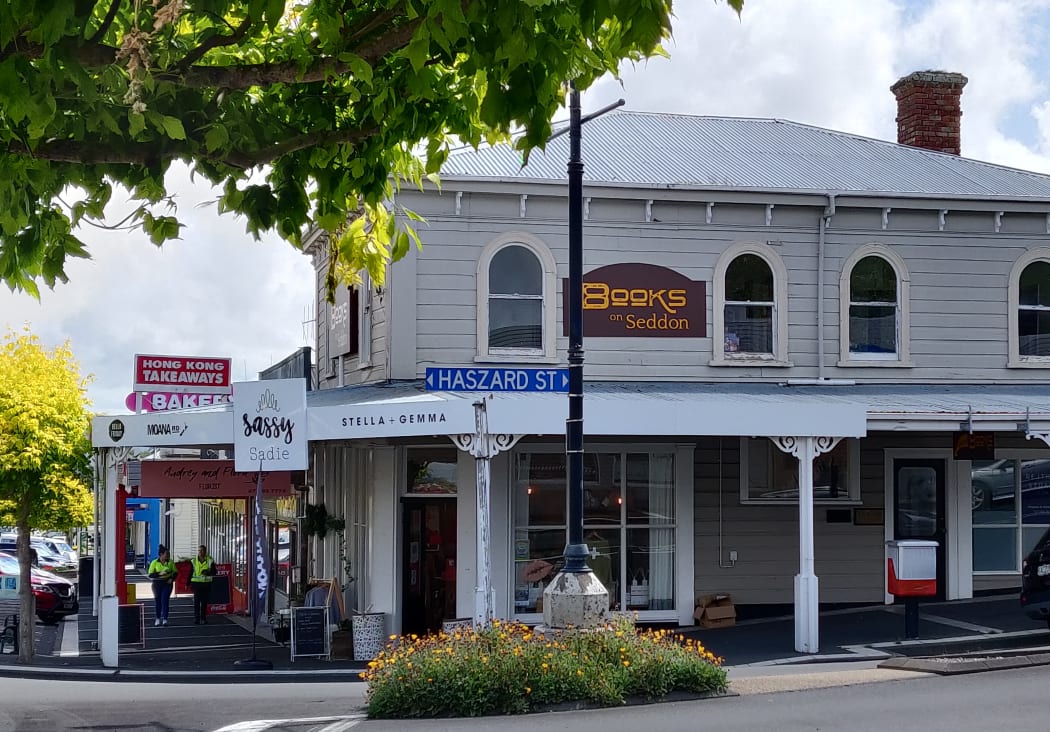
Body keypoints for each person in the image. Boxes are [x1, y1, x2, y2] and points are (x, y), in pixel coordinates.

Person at [147, 545, 175, 626]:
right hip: (157, 584)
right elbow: (150, 574)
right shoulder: (154, 562)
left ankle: (165, 619)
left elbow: (175, 572)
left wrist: (172, 579)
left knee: (164, 600)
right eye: (166, 554)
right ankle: (158, 618)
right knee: (158, 601)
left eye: (168, 554)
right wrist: (159, 573)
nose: (168, 555)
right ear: (161, 554)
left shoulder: (170, 562)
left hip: (167, 583)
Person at [190, 544, 217, 625]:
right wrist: (188, 583)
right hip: (196, 584)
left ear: (205, 551)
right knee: (197, 602)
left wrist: (207, 572)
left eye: (202, 550)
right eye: (199, 550)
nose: (200, 552)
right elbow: (190, 572)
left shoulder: (210, 560)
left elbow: (214, 572)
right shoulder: (194, 561)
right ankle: (196, 618)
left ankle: (203, 618)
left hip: (206, 584)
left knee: (204, 602)